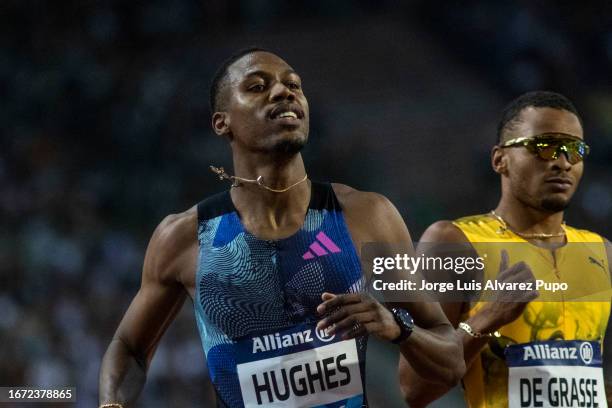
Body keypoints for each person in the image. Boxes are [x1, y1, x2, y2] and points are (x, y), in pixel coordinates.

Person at [98, 48, 464, 408]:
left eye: (294, 85)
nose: (283, 91)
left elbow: (450, 361)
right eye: (257, 86)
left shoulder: (367, 216)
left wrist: (399, 328)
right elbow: (129, 348)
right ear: (221, 122)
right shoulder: (184, 237)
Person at [400, 91, 612, 408]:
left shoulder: (602, 251)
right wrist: (491, 315)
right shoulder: (454, 243)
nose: (562, 162)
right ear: (500, 159)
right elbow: (413, 389)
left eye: (574, 150)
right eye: (544, 146)